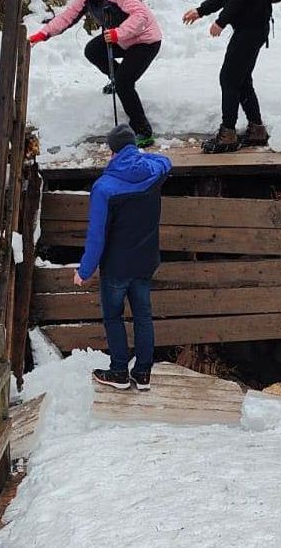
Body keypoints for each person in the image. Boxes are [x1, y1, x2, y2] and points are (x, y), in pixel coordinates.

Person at [73, 123, 172, 390]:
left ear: (112, 151)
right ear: (135, 147)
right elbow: (165, 159)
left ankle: (118, 372)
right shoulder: (155, 173)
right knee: (142, 316)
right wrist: (139, 157)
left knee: (114, 317)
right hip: (145, 261)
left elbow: (97, 236)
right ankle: (142, 374)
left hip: (116, 267)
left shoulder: (104, 187)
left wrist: (84, 271)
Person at [29, 0, 162, 147]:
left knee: (125, 83)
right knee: (93, 50)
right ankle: (116, 78)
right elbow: (68, 16)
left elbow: (141, 15)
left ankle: (143, 131)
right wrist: (43, 34)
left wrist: (118, 33)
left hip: (145, 40)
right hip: (123, 38)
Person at [182, 0, 271, 153]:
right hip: (249, 25)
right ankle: (256, 129)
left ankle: (228, 134)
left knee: (229, 77)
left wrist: (222, 20)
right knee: (240, 77)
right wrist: (202, 10)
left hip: (253, 26)